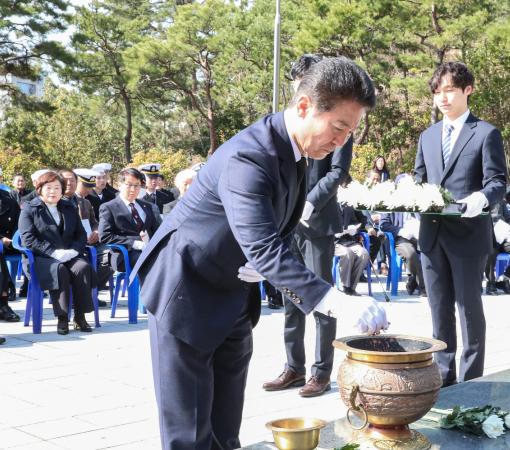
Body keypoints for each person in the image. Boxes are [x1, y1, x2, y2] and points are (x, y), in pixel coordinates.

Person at [130, 56, 388, 450]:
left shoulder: (300, 152)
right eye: (338, 127)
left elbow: (276, 231)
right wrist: (333, 299)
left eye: (349, 132)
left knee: (225, 428)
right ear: (304, 106)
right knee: (190, 434)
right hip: (186, 291)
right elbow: (263, 245)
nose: (340, 142)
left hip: (232, 292)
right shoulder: (250, 154)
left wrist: (264, 264)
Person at [263, 53, 354, 399]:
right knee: (291, 298)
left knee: (321, 299)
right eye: (296, 83)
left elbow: (338, 171)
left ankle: (321, 372)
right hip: (287, 223)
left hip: (317, 222)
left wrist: (310, 201)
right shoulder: (285, 124)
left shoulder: (337, 122)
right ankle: (293, 367)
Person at [413, 61, 507, 387]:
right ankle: (442, 377)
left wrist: (479, 199)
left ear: (468, 89)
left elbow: (497, 182)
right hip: (431, 236)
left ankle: (471, 382)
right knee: (439, 311)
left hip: (468, 236)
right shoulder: (426, 136)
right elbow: (419, 180)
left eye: (450, 90)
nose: (443, 97)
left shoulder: (485, 133)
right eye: (438, 91)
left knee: (469, 311)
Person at [18, 171, 95, 334]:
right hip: (41, 258)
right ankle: (62, 317)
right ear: (39, 189)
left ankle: (80, 316)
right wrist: (54, 253)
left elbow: (81, 233)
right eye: (48, 188)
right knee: (59, 270)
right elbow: (28, 239)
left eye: (57, 188)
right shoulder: (29, 209)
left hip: (69, 254)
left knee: (82, 267)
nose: (53, 192)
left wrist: (74, 250)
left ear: (62, 190)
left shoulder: (69, 206)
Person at [98, 168, 161, 273]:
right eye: (129, 185)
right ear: (120, 185)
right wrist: (133, 243)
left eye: (137, 185)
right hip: (125, 253)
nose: (133, 189)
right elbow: (105, 236)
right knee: (149, 261)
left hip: (149, 249)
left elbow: (156, 230)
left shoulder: (147, 206)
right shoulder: (109, 207)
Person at [73, 168, 113, 299]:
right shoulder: (65, 201)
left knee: (112, 256)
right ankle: (80, 294)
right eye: (85, 186)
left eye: (90, 186)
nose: (89, 190)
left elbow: (94, 222)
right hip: (76, 243)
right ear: (76, 183)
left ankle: (91, 292)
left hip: (91, 241)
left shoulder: (86, 202)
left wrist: (96, 231)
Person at [380, 212, 425, 296]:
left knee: (431, 253)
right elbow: (383, 225)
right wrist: (400, 231)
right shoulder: (391, 202)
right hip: (400, 237)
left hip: (420, 235)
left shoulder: (419, 201)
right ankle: (424, 288)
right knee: (410, 254)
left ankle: (412, 282)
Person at [334, 211, 370, 296]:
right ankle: (345, 286)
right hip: (333, 242)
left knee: (363, 253)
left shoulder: (348, 205)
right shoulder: (330, 204)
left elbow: (358, 221)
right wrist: (336, 232)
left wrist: (354, 229)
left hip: (349, 241)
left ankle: (351, 288)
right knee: (347, 253)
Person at [0, 188, 20, 321]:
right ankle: (3, 304)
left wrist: (13, 238)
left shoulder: (8, 198)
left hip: (11, 243)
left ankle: (3, 303)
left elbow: (19, 222)